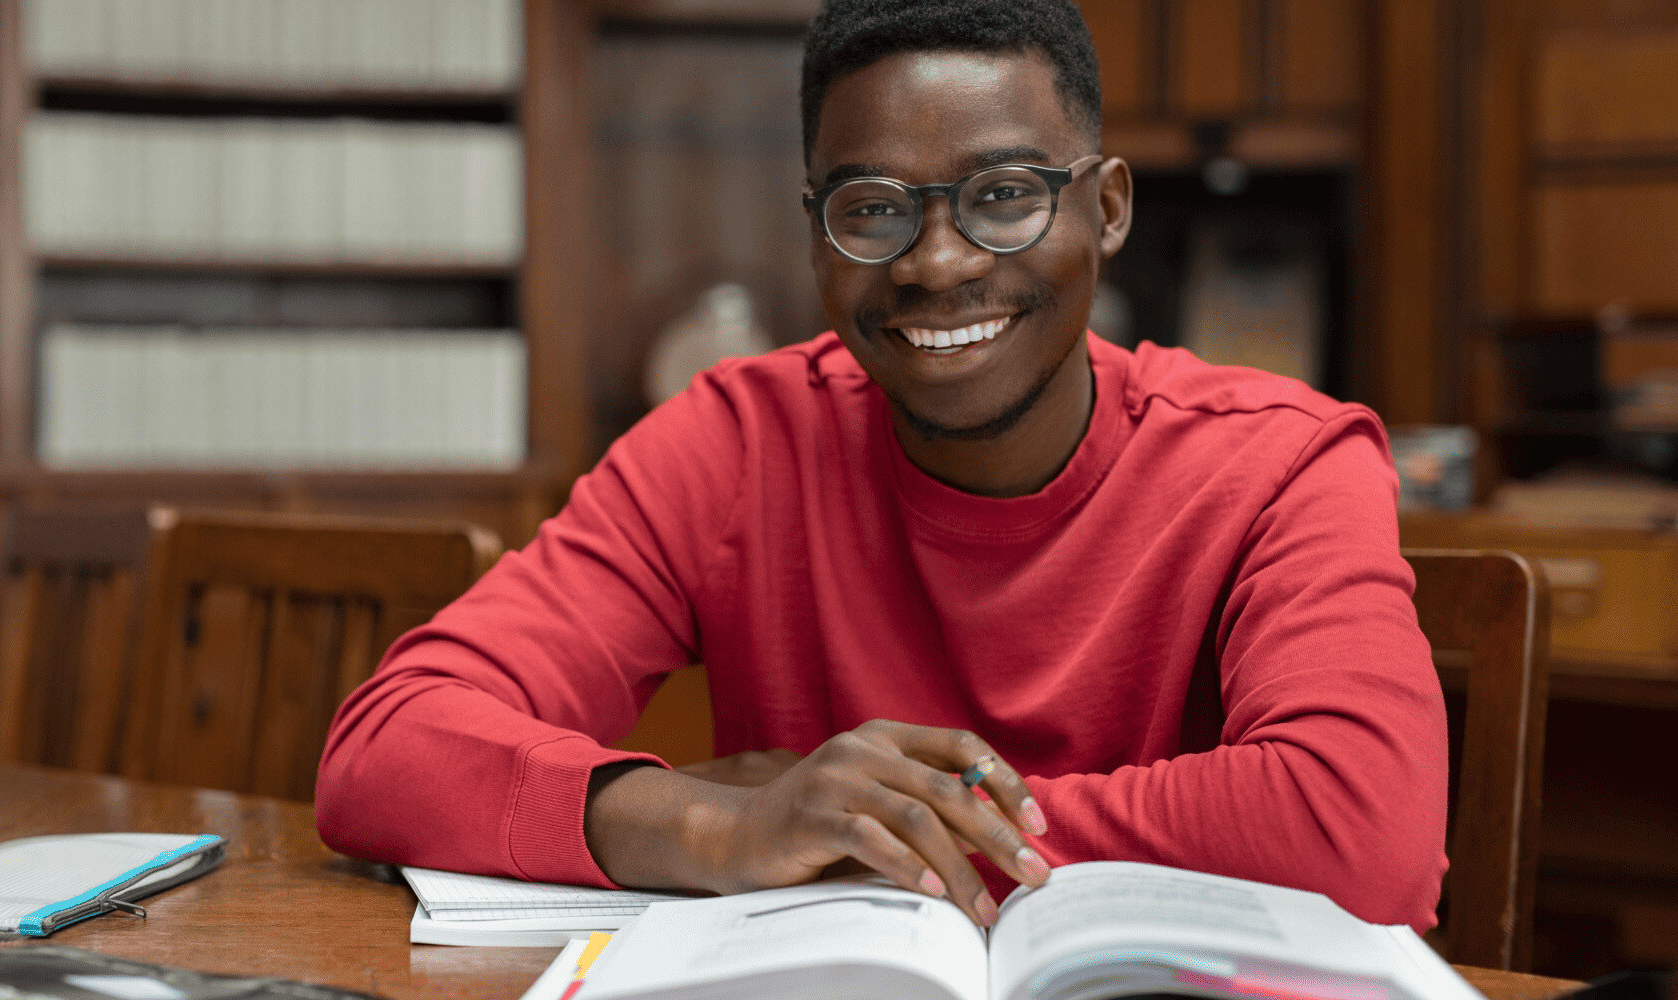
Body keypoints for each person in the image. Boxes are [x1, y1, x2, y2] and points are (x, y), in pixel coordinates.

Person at [315, 0, 1448, 932]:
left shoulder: (1284, 458)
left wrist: (860, 828)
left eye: (1002, 195)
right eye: (872, 210)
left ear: (1103, 210)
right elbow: (387, 748)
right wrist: (720, 826)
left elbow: (1361, 830)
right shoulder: (736, 440)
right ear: (815, 237)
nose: (936, 262)